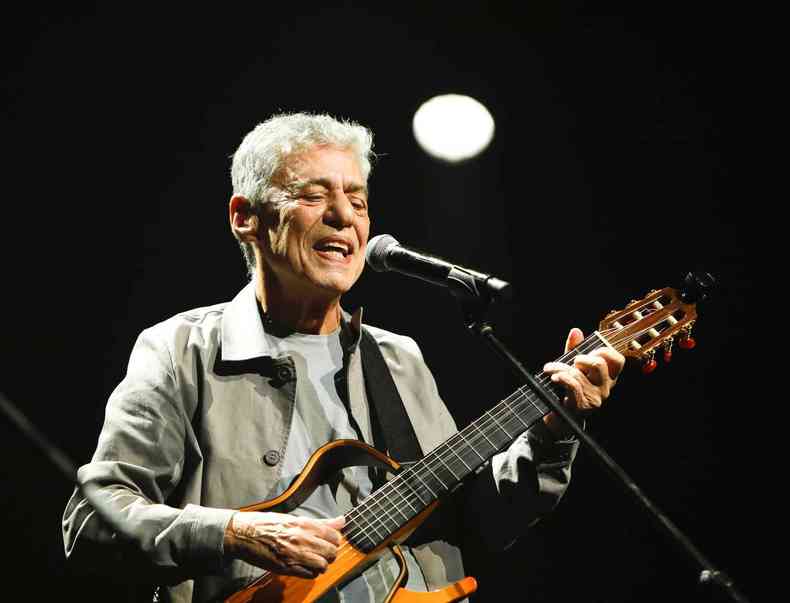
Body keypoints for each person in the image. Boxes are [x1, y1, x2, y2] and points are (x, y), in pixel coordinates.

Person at [62, 112, 624, 603]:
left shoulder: (397, 359)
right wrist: (235, 532)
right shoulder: (181, 350)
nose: (344, 217)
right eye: (313, 195)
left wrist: (553, 431)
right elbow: (92, 519)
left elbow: (473, 521)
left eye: (357, 200)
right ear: (245, 217)